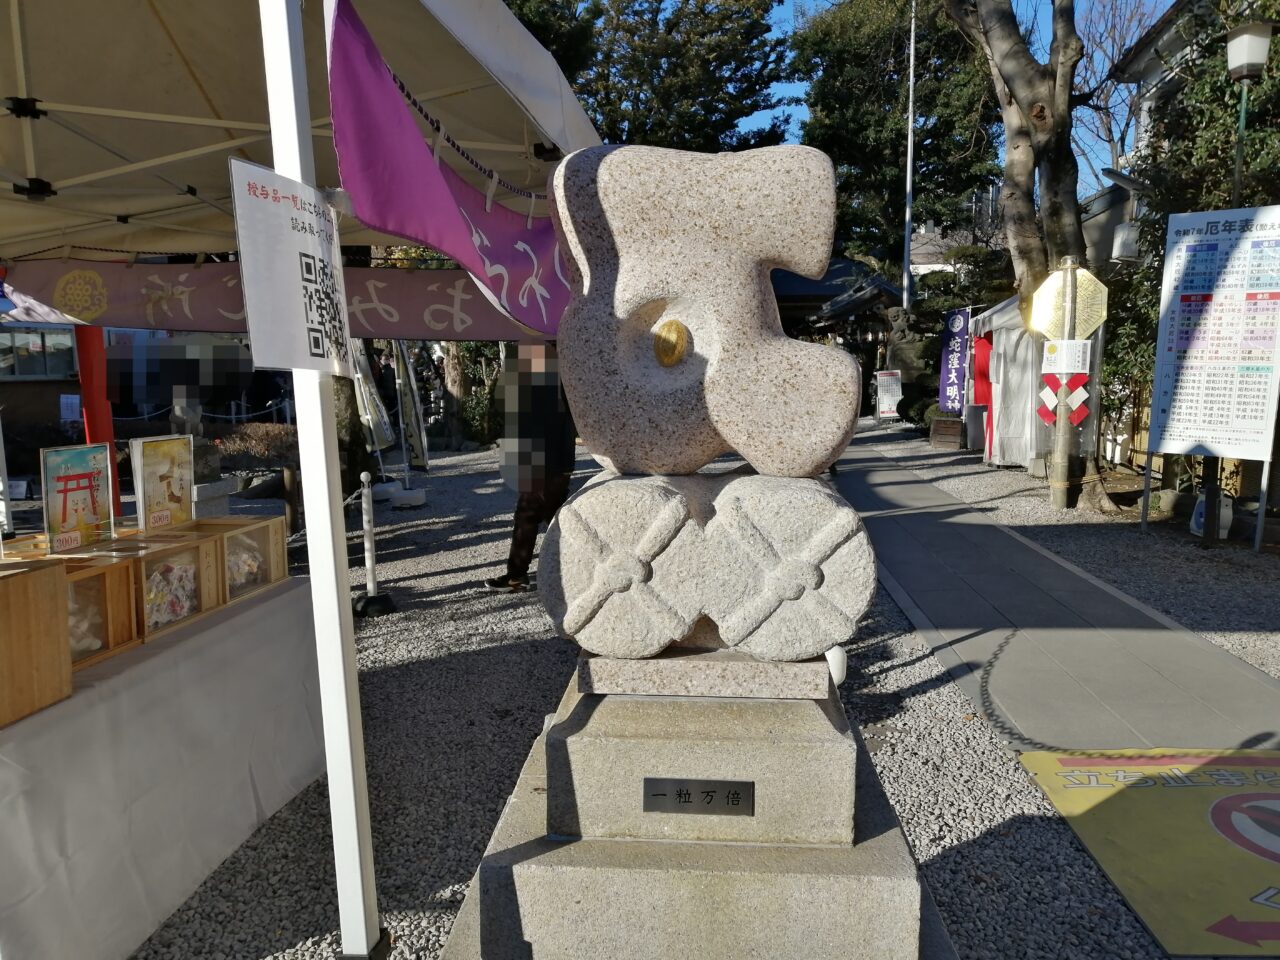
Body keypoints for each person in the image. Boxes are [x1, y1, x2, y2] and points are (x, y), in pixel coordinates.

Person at [486, 343, 576, 593]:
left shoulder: (533, 377)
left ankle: (518, 575)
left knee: (530, 516)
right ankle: (570, 570)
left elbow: (509, 410)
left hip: (540, 457)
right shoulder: (565, 372)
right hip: (559, 457)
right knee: (553, 517)